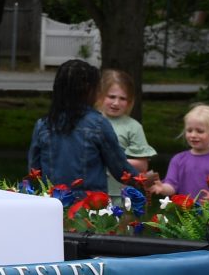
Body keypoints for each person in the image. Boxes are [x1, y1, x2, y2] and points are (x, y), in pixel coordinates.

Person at [27, 58, 131, 195]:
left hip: (53, 204)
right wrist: (144, 180)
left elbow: (34, 172)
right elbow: (120, 170)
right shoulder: (98, 124)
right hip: (89, 208)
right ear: (89, 90)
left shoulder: (43, 125)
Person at [151, 103, 209, 201]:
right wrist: (162, 188)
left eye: (200, 131)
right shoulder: (178, 159)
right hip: (186, 214)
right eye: (189, 130)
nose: (193, 135)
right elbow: (172, 186)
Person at [96, 67, 157, 185]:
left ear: (129, 102)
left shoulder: (133, 127)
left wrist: (112, 160)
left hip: (120, 192)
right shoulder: (89, 121)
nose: (116, 103)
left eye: (122, 98)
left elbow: (142, 165)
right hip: (91, 190)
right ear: (101, 96)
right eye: (112, 97)